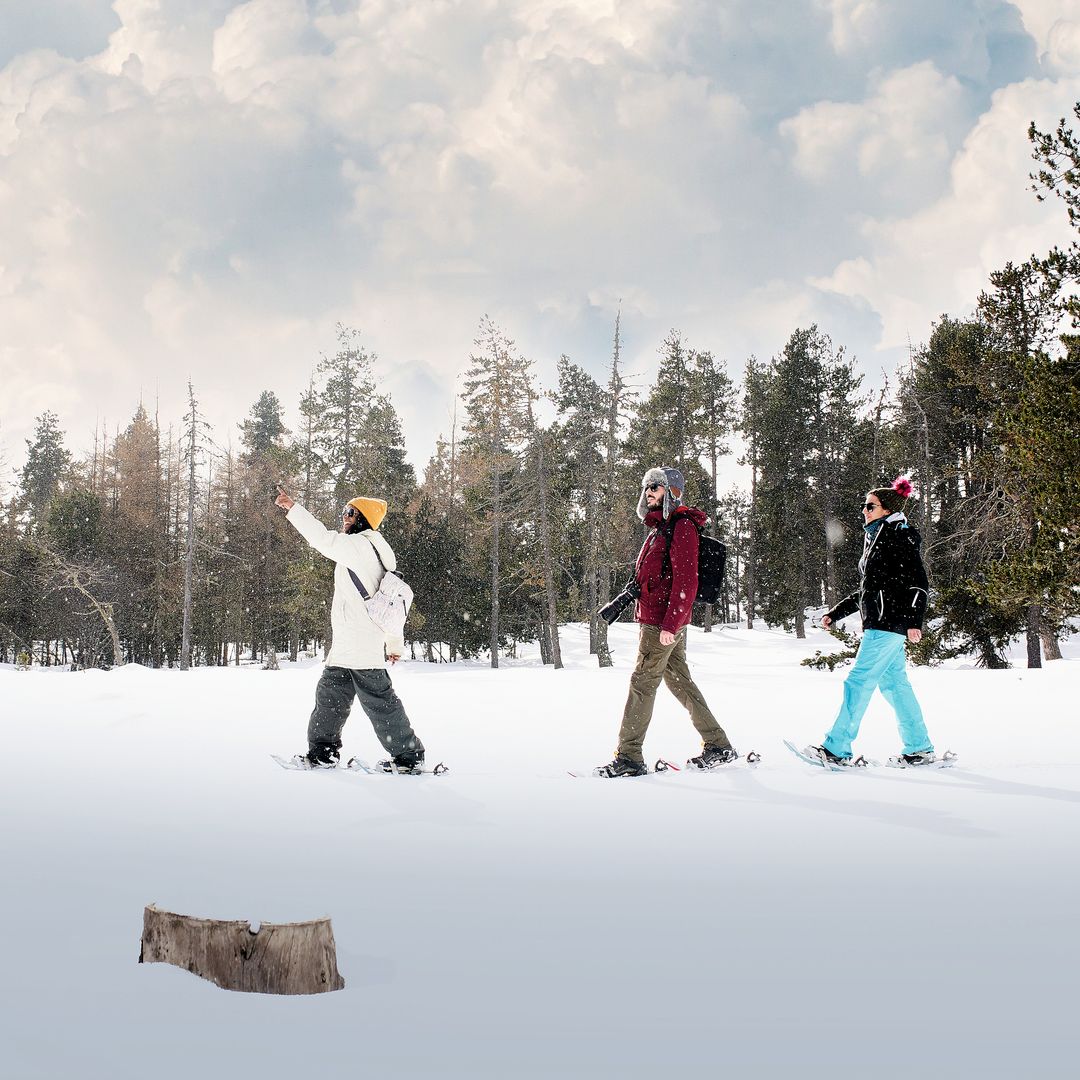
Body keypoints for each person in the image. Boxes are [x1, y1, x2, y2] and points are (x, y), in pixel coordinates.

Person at [274, 486, 426, 773]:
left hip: (360, 645)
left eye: (350, 513)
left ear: (364, 519)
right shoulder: (374, 549)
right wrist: (394, 643)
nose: (344, 517)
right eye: (344, 511)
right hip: (349, 645)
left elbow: (321, 539)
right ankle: (323, 753)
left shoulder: (359, 547)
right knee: (329, 699)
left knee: (380, 703)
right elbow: (389, 604)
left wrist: (294, 509)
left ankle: (409, 757)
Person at [596, 466, 737, 777]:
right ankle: (718, 744)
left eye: (656, 487)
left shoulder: (682, 527)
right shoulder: (659, 529)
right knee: (679, 681)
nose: (649, 492)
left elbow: (686, 581)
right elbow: (656, 576)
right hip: (657, 619)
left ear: (672, 492)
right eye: (647, 487)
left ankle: (629, 756)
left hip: (662, 623)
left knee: (642, 684)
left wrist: (671, 625)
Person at [803, 477, 936, 768]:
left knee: (858, 681)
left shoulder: (899, 535)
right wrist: (835, 613)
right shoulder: (878, 537)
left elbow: (919, 583)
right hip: (881, 621)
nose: (864, 511)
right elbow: (869, 588)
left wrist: (914, 620)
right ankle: (920, 747)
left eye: (870, 506)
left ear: (887, 509)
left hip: (889, 623)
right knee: (894, 686)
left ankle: (836, 748)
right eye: (865, 506)